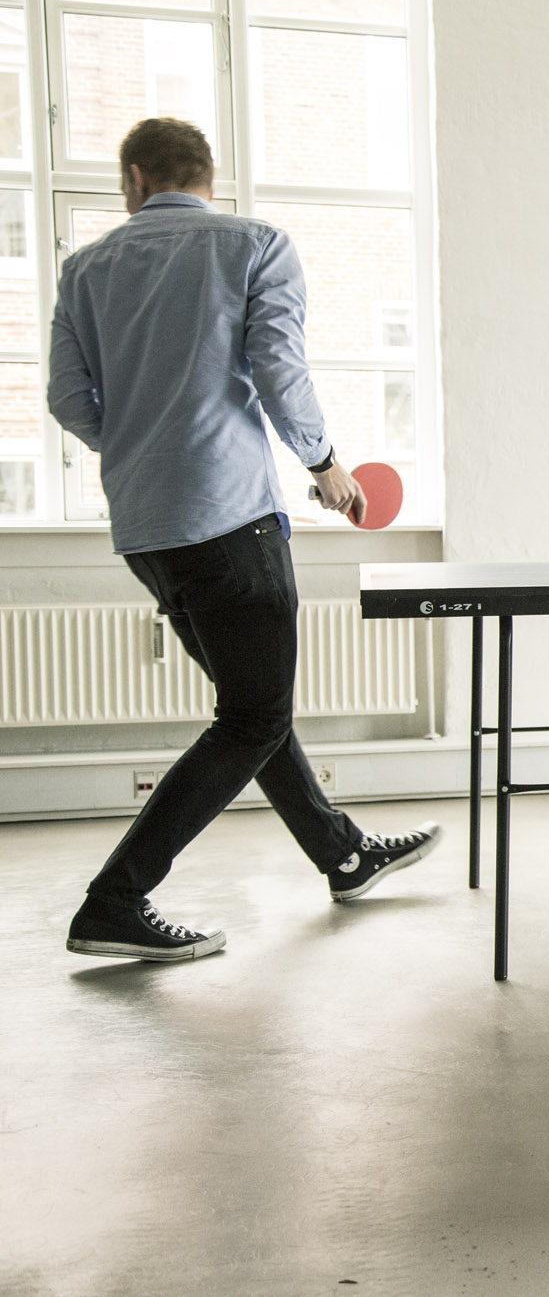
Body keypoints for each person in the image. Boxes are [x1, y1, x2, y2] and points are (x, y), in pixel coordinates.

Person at [48, 117, 440, 961]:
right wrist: (326, 462)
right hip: (230, 516)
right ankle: (115, 899)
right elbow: (277, 366)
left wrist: (141, 444)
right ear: (204, 177)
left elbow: (69, 400)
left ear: (135, 178)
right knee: (253, 713)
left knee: (252, 710)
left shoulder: (84, 269)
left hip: (148, 529)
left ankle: (341, 854)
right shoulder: (253, 244)